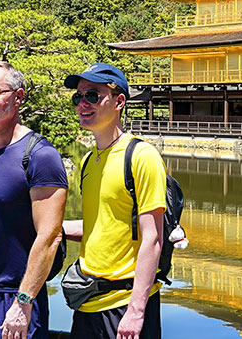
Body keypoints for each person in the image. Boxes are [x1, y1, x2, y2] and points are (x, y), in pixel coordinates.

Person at [0, 61, 67, 339]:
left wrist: (24, 301)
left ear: (18, 97)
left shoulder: (40, 155)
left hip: (12, 299)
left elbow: (50, 236)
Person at [63, 63, 166, 339]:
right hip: (86, 301)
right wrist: (53, 229)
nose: (82, 104)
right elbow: (100, 226)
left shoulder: (142, 156)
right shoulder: (87, 161)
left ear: (119, 101)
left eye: (92, 96)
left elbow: (152, 239)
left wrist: (136, 311)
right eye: (78, 97)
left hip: (124, 305)